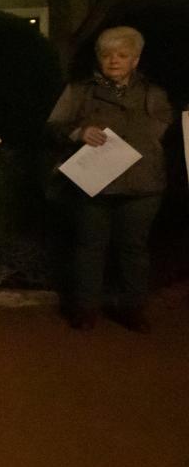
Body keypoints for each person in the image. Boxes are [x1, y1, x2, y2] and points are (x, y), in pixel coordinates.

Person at [47, 26, 172, 332]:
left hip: (141, 184)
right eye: (106, 54)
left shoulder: (153, 93)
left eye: (122, 54)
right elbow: (53, 125)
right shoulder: (80, 90)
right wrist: (78, 132)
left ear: (135, 60)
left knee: (134, 248)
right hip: (94, 180)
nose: (114, 60)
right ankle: (85, 309)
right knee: (89, 246)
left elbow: (165, 131)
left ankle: (133, 308)